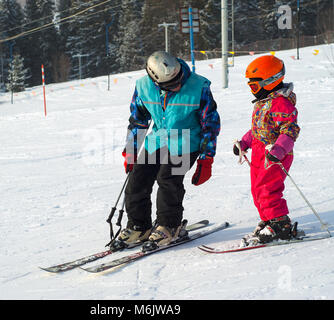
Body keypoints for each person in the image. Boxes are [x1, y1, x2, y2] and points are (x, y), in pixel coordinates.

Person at [110, 51, 220, 252]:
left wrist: (207, 158)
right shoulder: (143, 87)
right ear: (155, 81)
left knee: (168, 179)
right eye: (170, 85)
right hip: (158, 140)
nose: (177, 86)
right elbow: (138, 120)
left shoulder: (199, 86)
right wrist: (131, 151)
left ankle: (169, 226)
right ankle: (139, 226)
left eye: (178, 80)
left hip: (188, 140)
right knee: (138, 179)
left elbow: (210, 124)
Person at [234, 55, 300, 245]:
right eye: (250, 86)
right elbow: (258, 129)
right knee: (257, 189)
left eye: (254, 86)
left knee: (268, 189)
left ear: (270, 81)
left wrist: (279, 150)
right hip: (259, 153)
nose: (252, 91)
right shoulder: (264, 102)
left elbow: (290, 129)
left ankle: (281, 224)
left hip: (275, 154)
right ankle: (270, 219)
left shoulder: (280, 103)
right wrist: (244, 143)